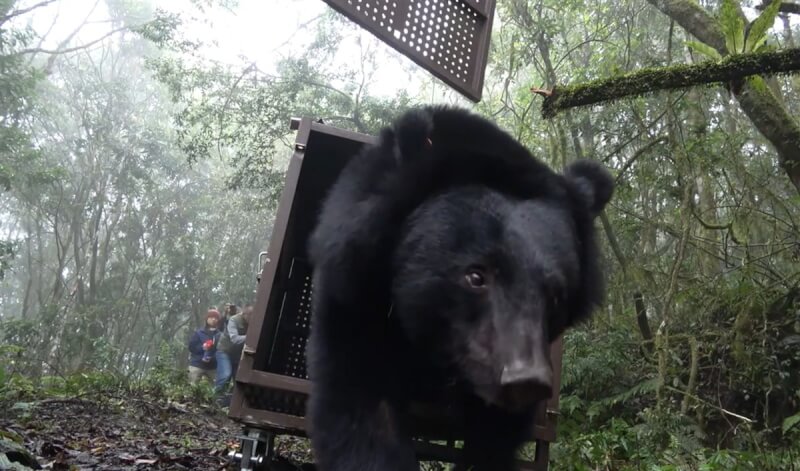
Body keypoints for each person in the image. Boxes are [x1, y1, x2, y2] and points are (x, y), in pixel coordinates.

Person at [215, 304, 253, 398]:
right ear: (244, 314)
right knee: (225, 375)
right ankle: (214, 398)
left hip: (238, 355)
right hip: (225, 351)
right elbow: (234, 339)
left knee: (239, 379)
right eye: (250, 315)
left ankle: (227, 403)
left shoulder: (255, 323)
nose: (252, 318)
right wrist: (252, 337)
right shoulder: (234, 320)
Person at [187, 309, 222, 384]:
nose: (213, 319)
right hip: (197, 364)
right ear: (207, 319)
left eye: (216, 318)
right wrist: (202, 348)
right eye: (211, 317)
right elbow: (191, 347)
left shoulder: (220, 335)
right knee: (191, 387)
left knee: (216, 389)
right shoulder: (199, 333)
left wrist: (212, 358)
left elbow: (221, 350)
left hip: (213, 366)